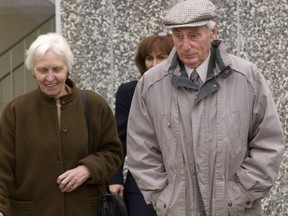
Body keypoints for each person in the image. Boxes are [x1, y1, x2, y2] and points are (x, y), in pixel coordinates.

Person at [126, 0, 285, 215]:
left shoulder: (247, 77)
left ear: (213, 32)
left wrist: (240, 195)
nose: (185, 45)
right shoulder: (151, 84)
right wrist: (163, 197)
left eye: (193, 35)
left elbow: (268, 143)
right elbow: (141, 150)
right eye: (178, 36)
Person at [0, 32, 123, 216]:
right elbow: (2, 166)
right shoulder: (16, 111)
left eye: (57, 69)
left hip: (84, 210)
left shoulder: (94, 105)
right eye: (42, 70)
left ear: (68, 69)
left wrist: (88, 168)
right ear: (33, 71)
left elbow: (113, 152)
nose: (50, 78)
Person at [108, 33, 174, 216]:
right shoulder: (129, 92)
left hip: (181, 186)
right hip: (140, 187)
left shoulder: (187, 92)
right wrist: (115, 179)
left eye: (161, 57)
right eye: (149, 58)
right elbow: (119, 140)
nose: (154, 64)